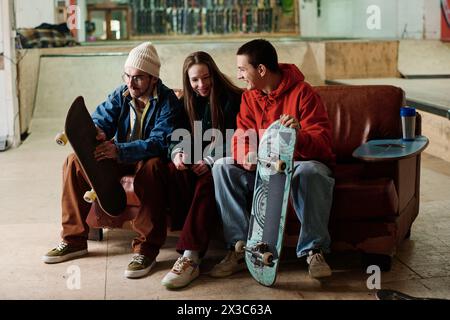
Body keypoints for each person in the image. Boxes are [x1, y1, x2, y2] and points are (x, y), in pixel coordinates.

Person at [42, 42, 183, 279]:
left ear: (153, 78)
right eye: (127, 75)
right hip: (120, 154)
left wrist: (119, 150)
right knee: (72, 162)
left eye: (138, 78)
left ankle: (146, 250)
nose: (130, 82)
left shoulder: (168, 102)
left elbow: (159, 142)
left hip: (146, 158)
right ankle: (74, 239)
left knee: (153, 168)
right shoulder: (122, 94)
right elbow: (102, 118)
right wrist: (96, 131)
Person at [210, 39, 336, 279]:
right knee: (222, 167)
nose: (238, 76)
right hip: (264, 168)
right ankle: (239, 248)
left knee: (311, 171)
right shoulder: (249, 98)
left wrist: (298, 136)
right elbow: (241, 136)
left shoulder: (304, 93)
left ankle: (314, 250)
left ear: (261, 70)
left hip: (298, 165)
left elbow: (323, 145)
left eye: (241, 69)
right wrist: (245, 155)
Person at [156, 51, 242, 289]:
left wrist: (211, 160)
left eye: (206, 78)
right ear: (188, 81)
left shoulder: (233, 98)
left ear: (213, 73)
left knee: (209, 179)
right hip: (197, 160)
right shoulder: (185, 102)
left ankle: (190, 257)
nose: (201, 85)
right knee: (175, 170)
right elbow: (175, 135)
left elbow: (238, 138)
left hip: (225, 164)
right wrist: (178, 154)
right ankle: (190, 237)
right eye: (195, 80)